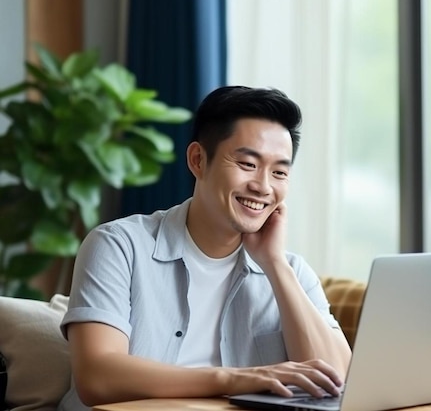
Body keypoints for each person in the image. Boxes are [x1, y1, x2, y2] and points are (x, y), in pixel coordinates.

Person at [57, 86, 352, 411]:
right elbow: (97, 377)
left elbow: (338, 381)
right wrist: (236, 379)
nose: (263, 186)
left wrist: (274, 265)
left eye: (279, 172)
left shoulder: (290, 270)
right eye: (247, 164)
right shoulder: (118, 246)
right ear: (198, 160)